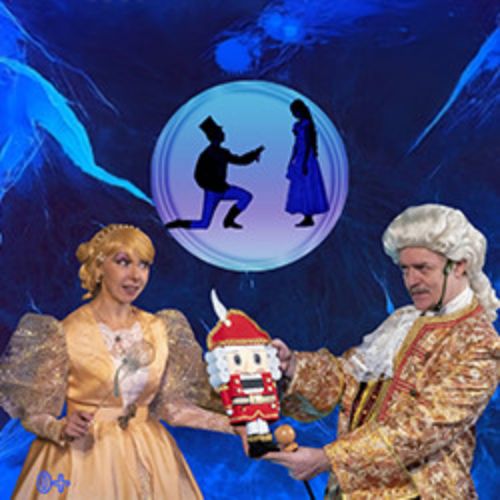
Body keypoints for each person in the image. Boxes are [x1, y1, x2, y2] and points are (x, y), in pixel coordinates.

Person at [266, 204, 499, 499]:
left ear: (459, 265)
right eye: (405, 269)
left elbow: (426, 426)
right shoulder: (404, 319)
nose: (411, 281)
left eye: (422, 268)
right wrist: (293, 366)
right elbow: (347, 378)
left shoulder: (480, 342)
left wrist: (328, 459)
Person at [0, 224, 236, 499]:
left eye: (143, 265)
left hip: (152, 456)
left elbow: (173, 409)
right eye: (123, 262)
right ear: (99, 267)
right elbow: (33, 414)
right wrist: (60, 427)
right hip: (83, 462)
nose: (135, 276)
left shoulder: (161, 328)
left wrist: (237, 425)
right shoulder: (64, 333)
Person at [165, 116, 264, 230]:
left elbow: (240, 160)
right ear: (216, 136)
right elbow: (198, 175)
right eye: (221, 131)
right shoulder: (208, 154)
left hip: (223, 189)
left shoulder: (222, 152)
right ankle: (178, 223)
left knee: (246, 197)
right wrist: (210, 186)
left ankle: (228, 220)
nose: (223, 133)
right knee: (204, 224)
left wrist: (254, 153)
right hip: (212, 192)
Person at [285, 99, 329, 227]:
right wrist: (291, 159)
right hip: (300, 157)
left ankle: (308, 216)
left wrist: (304, 161)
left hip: (307, 157)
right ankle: (306, 214)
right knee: (301, 184)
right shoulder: (297, 125)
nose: (294, 114)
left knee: (307, 184)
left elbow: (308, 143)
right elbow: (296, 144)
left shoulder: (307, 124)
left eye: (295, 111)